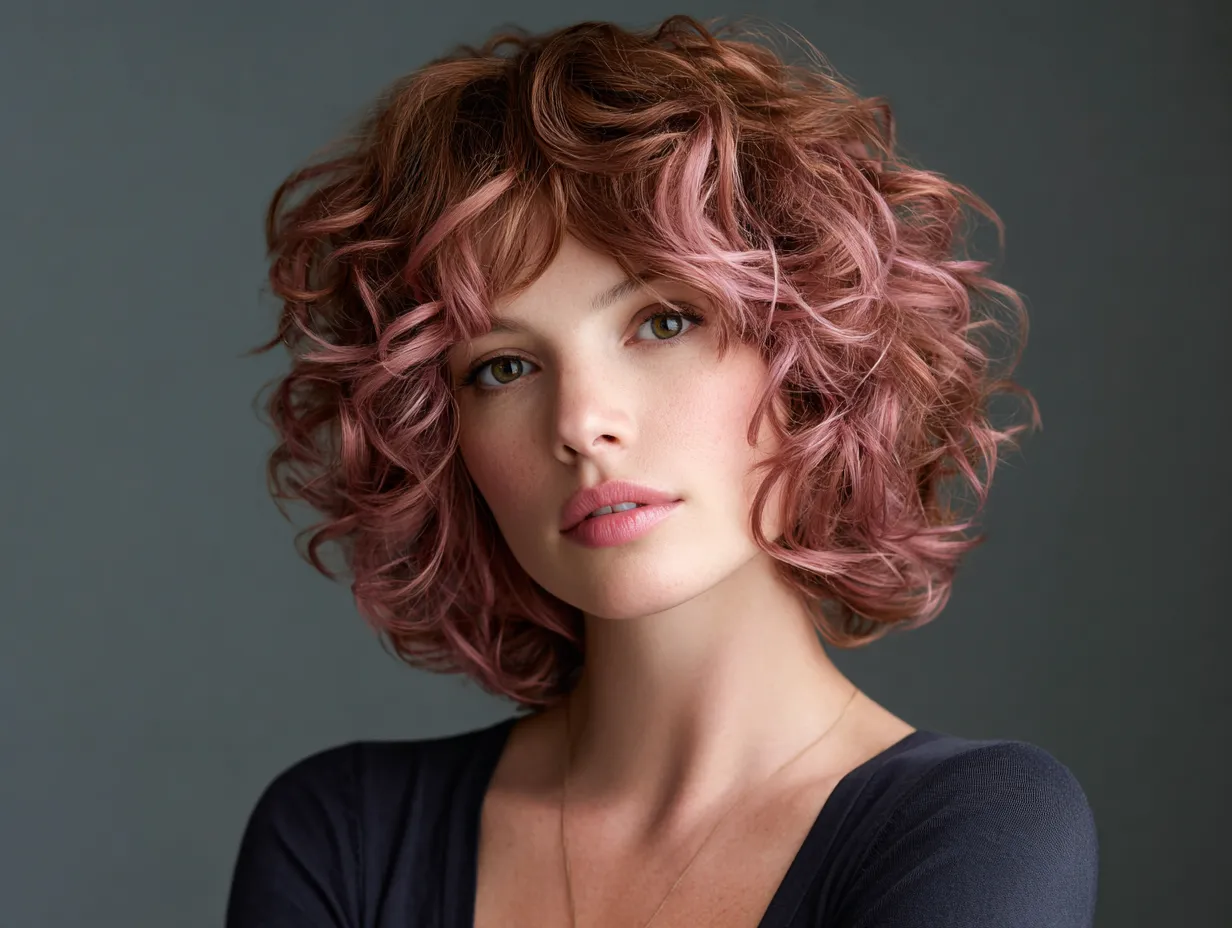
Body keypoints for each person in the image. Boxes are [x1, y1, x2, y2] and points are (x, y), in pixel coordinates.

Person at [225, 14, 1099, 928]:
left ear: (806, 356)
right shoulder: (342, 839)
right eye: (503, 367)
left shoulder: (976, 832)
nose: (581, 423)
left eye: (662, 322)